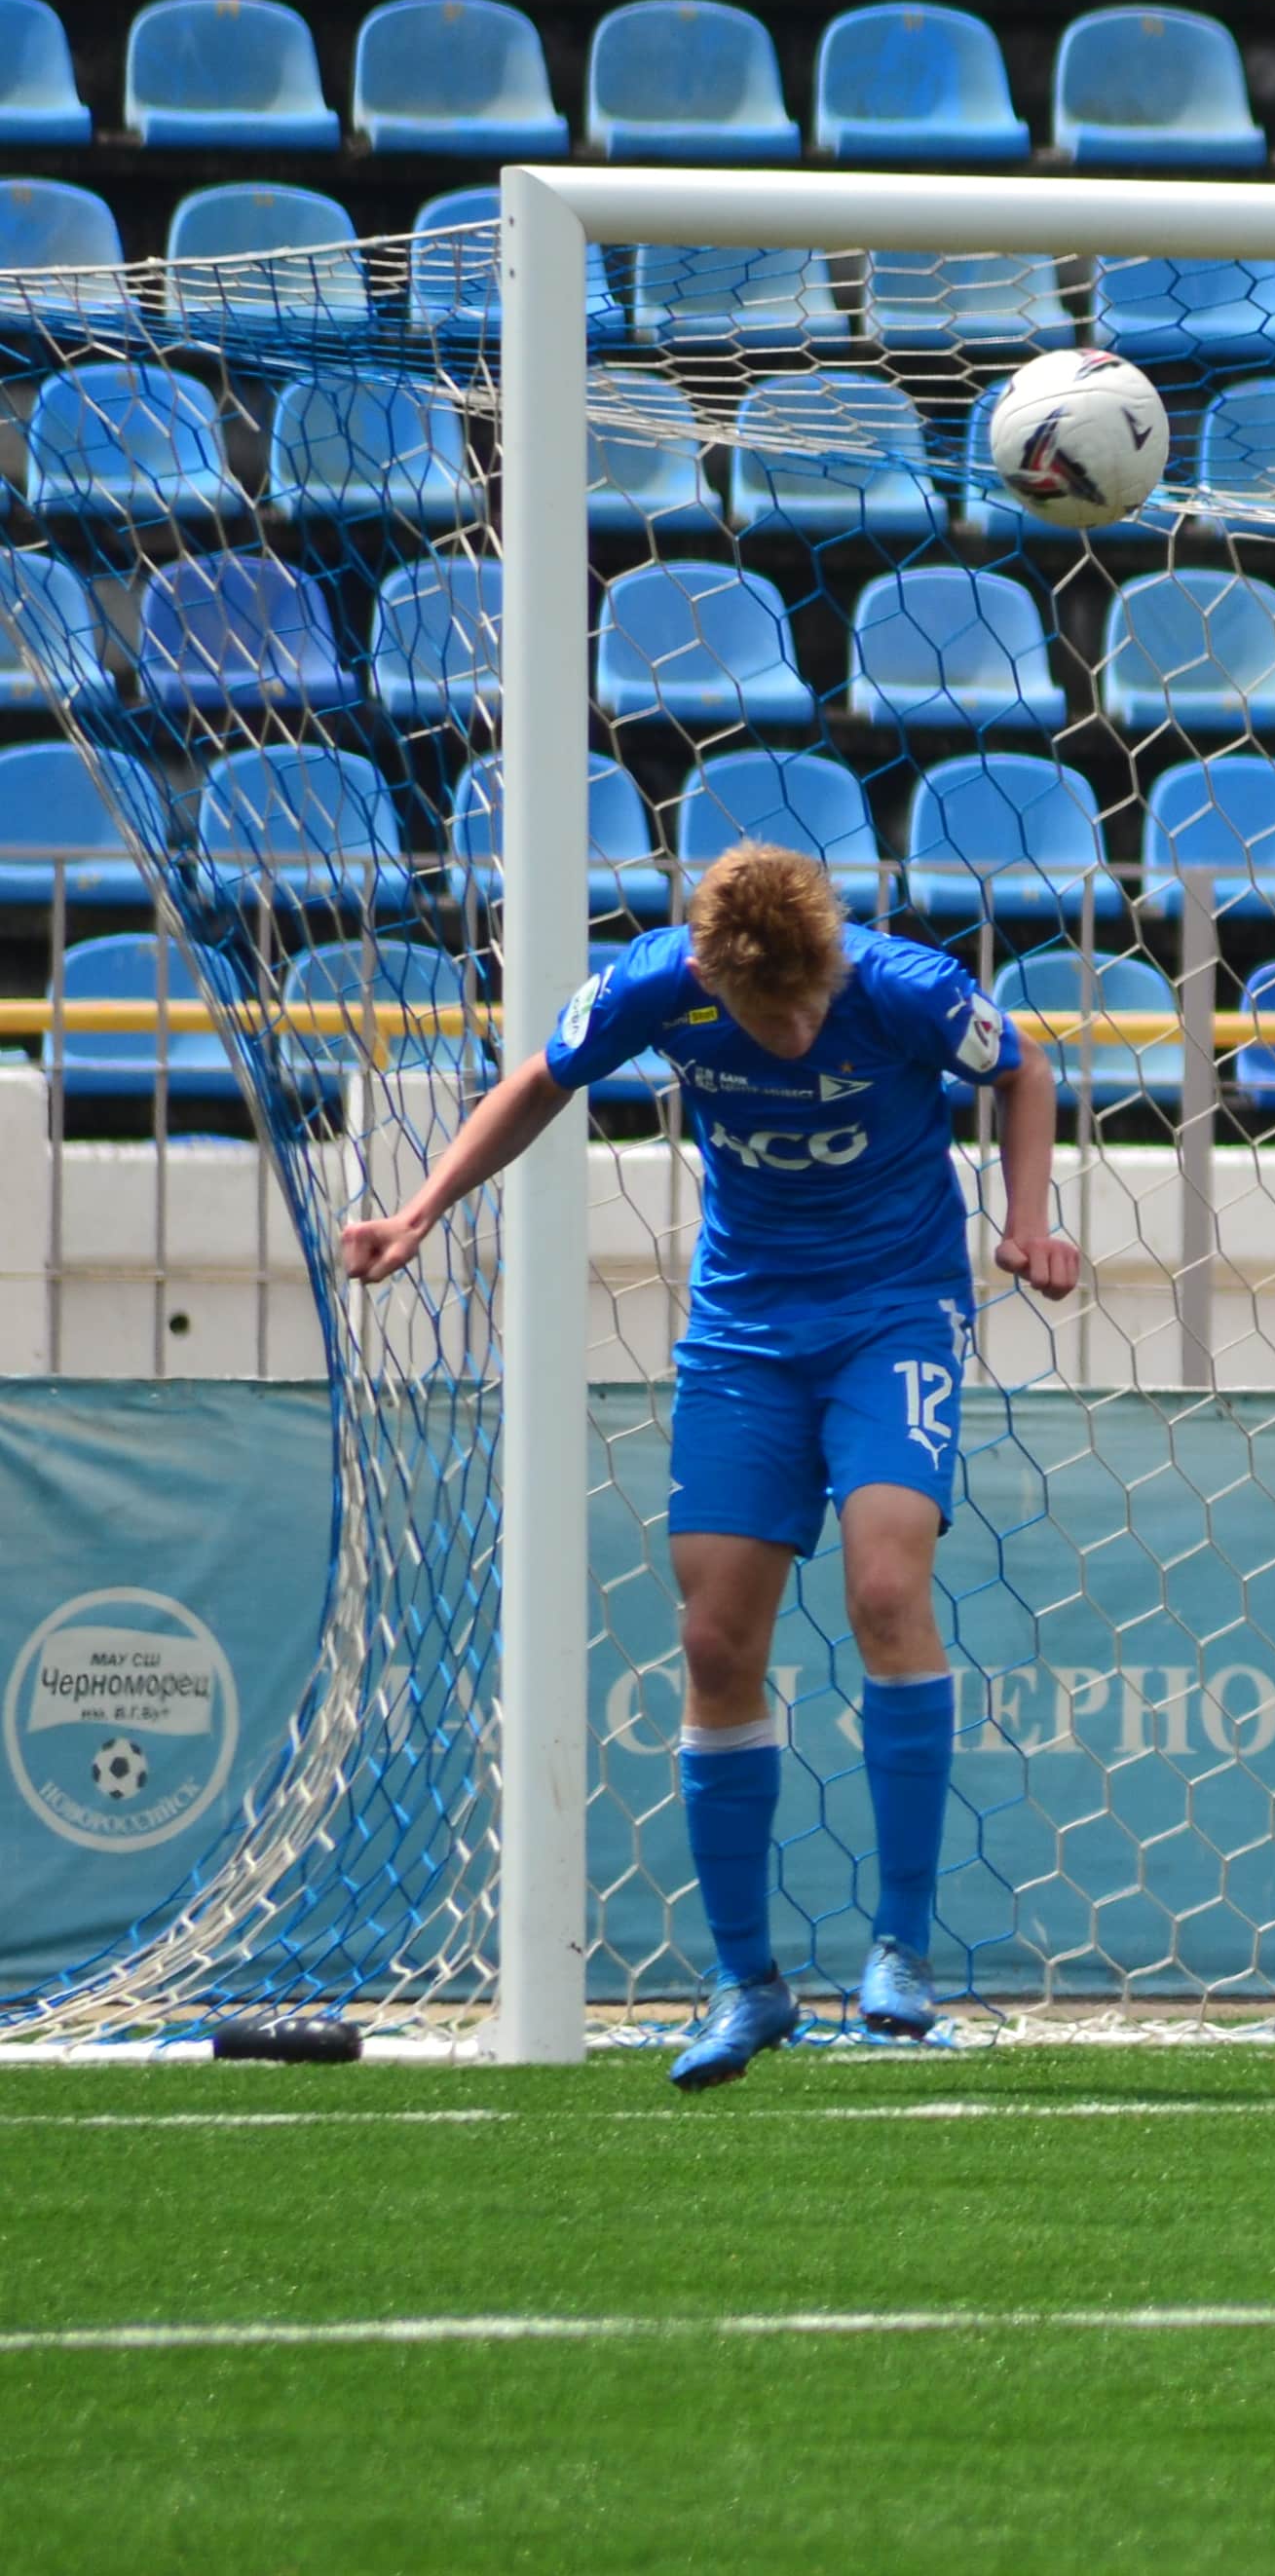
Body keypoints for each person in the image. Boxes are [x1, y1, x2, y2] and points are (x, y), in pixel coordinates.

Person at [332, 845, 1077, 2090]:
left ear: (830, 964)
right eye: (758, 1016)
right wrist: (421, 1210)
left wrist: (1026, 1216)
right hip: (742, 1330)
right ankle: (746, 1982)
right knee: (715, 1643)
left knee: (888, 1589)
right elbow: (540, 1078)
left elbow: (1027, 1068)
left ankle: (899, 1951)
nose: (787, 1036)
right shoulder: (652, 985)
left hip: (894, 1311)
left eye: (804, 1008)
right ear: (712, 982)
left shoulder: (904, 985)